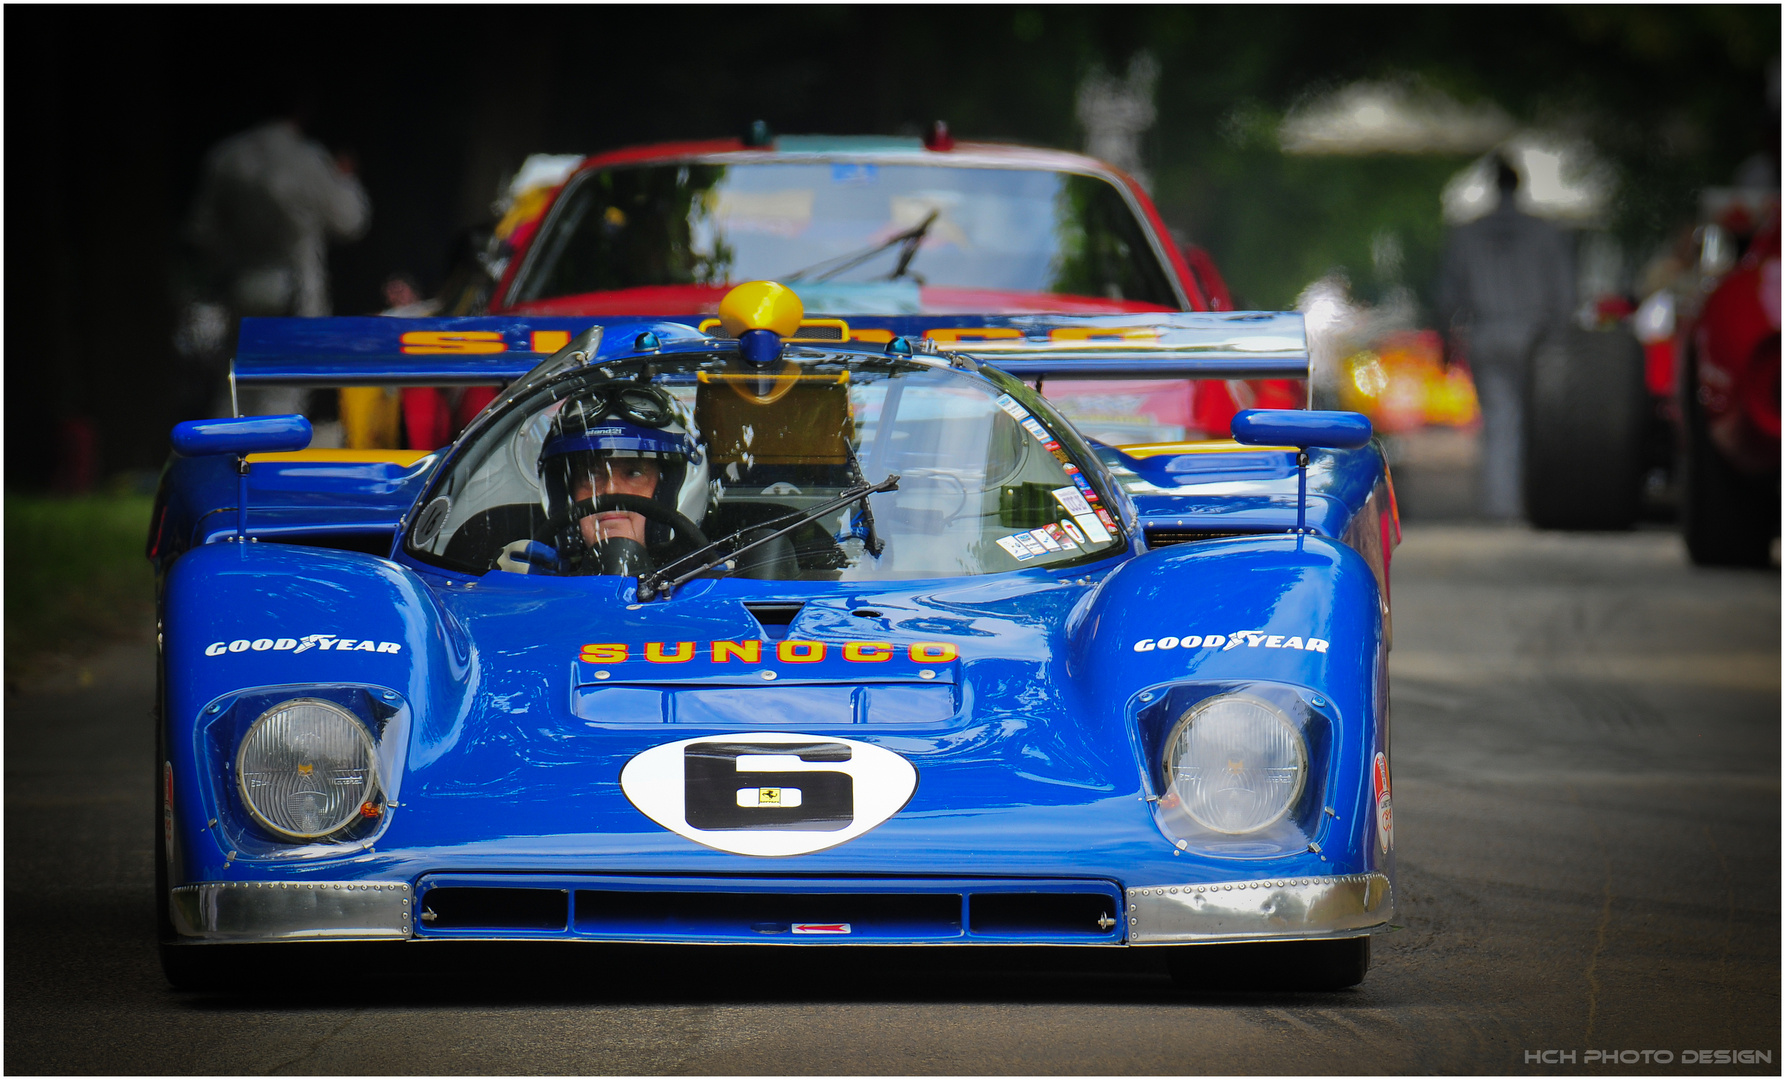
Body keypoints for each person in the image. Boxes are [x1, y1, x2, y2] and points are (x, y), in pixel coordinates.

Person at [182, 100, 370, 416]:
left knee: (234, 389)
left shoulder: (227, 157)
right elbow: (351, 220)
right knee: (283, 394)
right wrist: (345, 178)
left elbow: (201, 231)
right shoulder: (309, 159)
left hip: (243, 287)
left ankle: (226, 460)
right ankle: (268, 462)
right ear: (301, 110)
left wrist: (228, 261)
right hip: (295, 294)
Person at [1436, 155, 1575, 521]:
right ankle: (1533, 501)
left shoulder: (1467, 232)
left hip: (1485, 330)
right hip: (1535, 333)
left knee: (1499, 421)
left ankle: (1501, 504)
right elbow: (1563, 291)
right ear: (1520, 183)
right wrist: (1561, 335)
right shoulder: (1545, 231)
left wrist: (1448, 339)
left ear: (1492, 184)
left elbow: (1449, 294)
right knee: (1536, 422)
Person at [502, 384, 709, 575]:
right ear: (566, 494)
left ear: (673, 488)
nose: (610, 489)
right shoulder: (533, 576)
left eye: (634, 473)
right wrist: (512, 591)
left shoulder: (720, 582)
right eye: (591, 476)